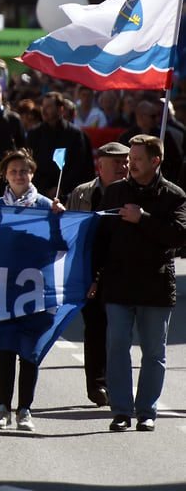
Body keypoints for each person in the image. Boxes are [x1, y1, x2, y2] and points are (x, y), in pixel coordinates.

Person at [91, 134, 186, 432]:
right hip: (118, 283)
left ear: (155, 161)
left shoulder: (174, 195)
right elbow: (100, 237)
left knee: (154, 352)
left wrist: (142, 219)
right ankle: (121, 410)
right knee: (117, 347)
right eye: (129, 159)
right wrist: (94, 275)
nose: (129, 165)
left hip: (155, 286)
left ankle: (146, 410)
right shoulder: (116, 192)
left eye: (137, 160)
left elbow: (178, 236)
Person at [0, 149, 61, 433]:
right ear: (5, 175)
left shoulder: (46, 206)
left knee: (29, 351)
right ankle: (3, 407)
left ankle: (25, 409)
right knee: (5, 350)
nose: (19, 175)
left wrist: (59, 219)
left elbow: (59, 246)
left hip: (35, 290)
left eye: (24, 170)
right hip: (3, 290)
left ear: (32, 173)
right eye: (13, 171)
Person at [66, 141, 129, 407]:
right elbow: (69, 232)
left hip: (120, 271)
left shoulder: (132, 192)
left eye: (126, 162)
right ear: (100, 165)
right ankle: (97, 385)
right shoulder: (81, 194)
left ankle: (116, 384)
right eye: (116, 163)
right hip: (87, 270)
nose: (123, 167)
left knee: (119, 332)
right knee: (94, 329)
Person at [25, 92, 95, 199]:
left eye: (49, 107)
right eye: (43, 106)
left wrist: (61, 188)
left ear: (60, 110)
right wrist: (43, 189)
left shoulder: (75, 134)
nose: (44, 110)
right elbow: (30, 162)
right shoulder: (34, 134)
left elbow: (79, 165)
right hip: (39, 193)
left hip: (70, 194)